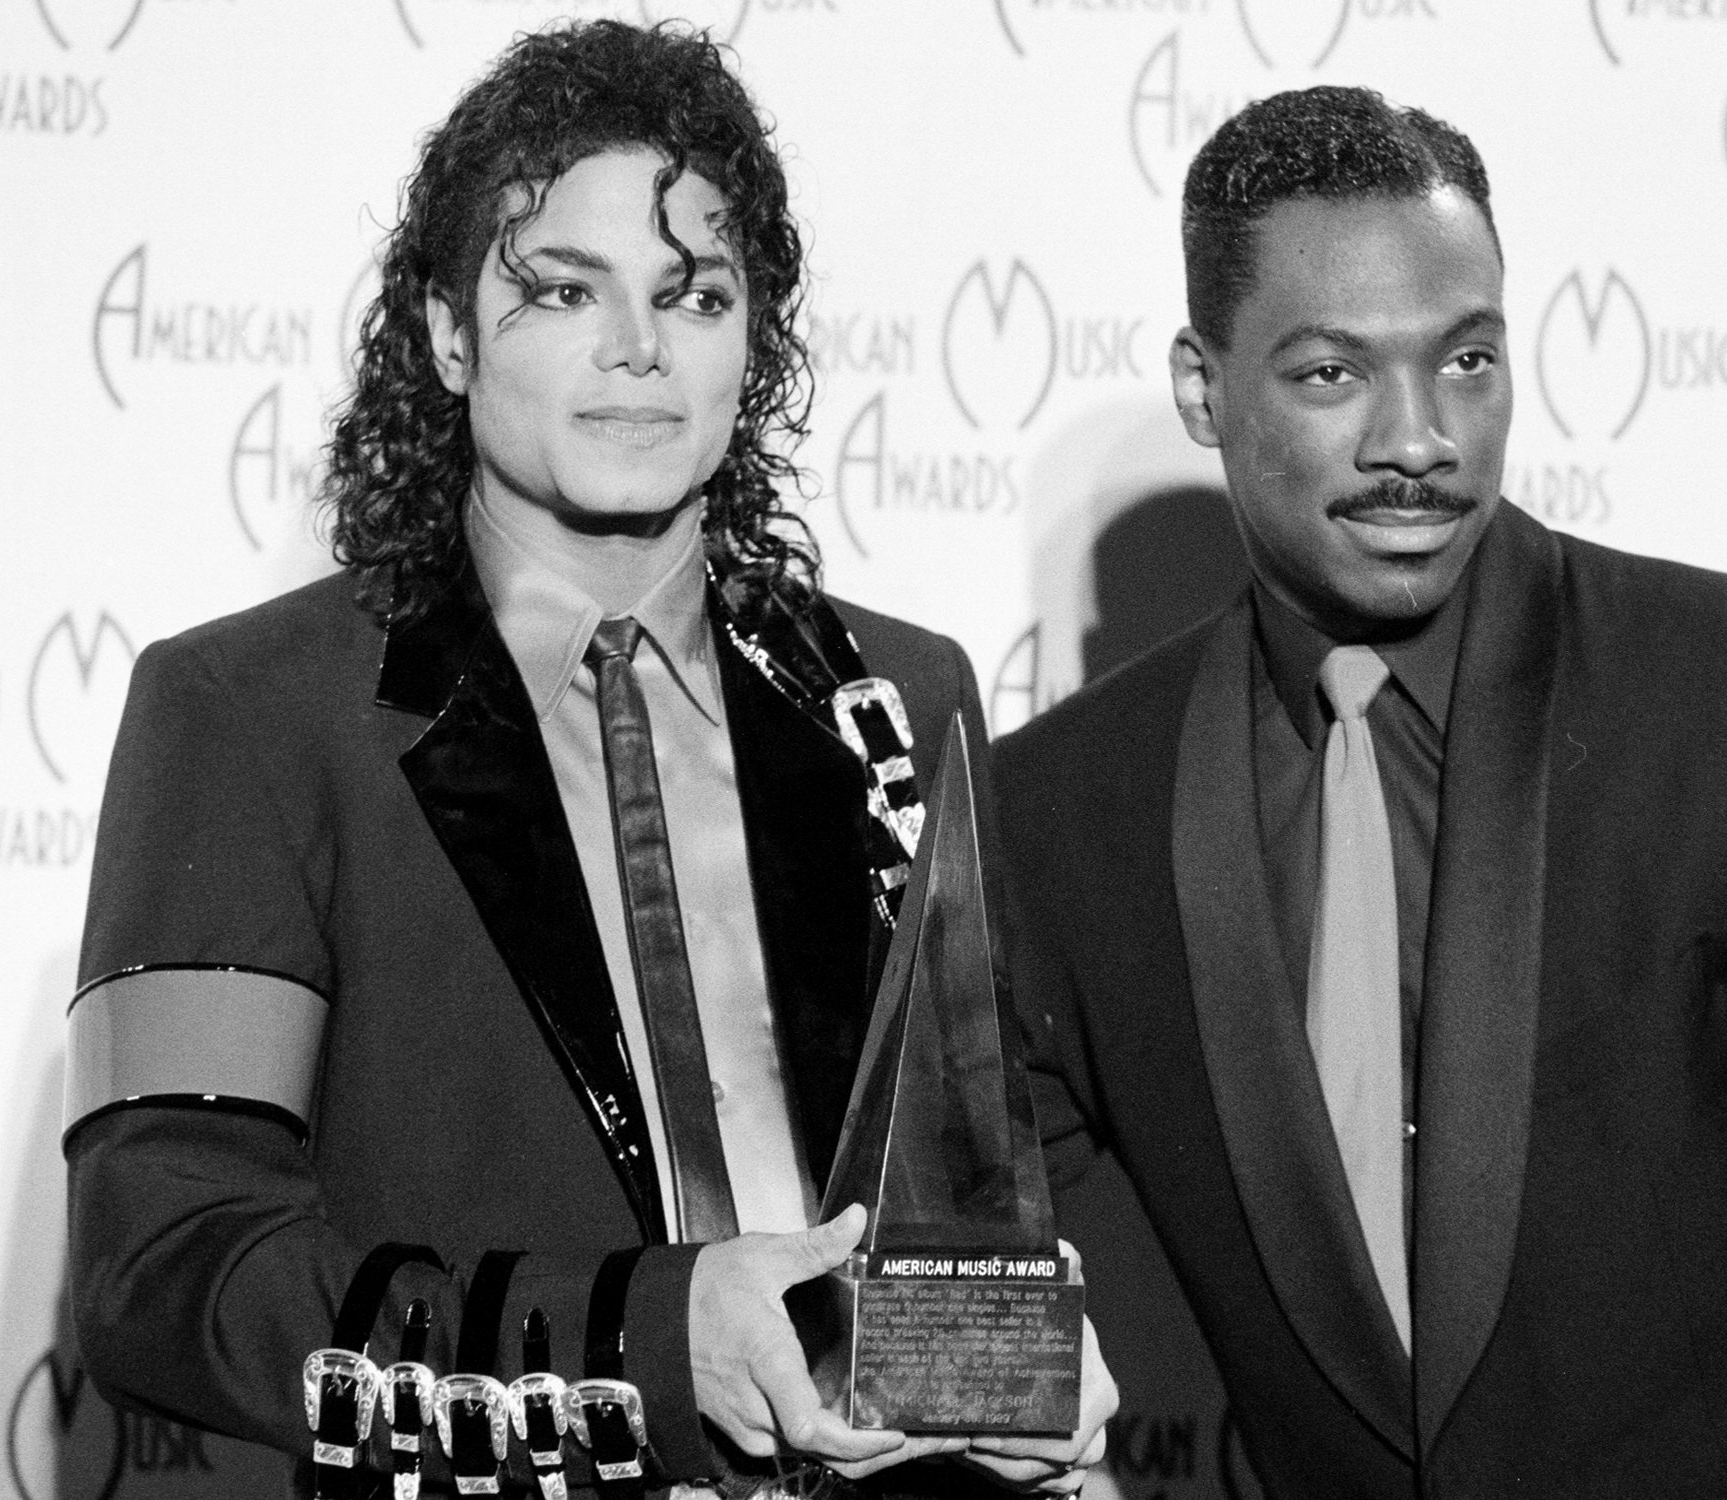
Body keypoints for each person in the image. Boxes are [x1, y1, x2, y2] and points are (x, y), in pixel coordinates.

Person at [992, 85, 1727, 1499]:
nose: (1418, 438)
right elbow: (1020, 1276)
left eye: (1464, 361)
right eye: (1331, 374)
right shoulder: (1066, 809)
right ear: (1203, 389)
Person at [64, 21, 1111, 1497]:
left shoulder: (897, 692)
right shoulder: (247, 712)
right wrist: (646, 1342)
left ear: (756, 343)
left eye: (694, 295)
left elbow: (954, 1199)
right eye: (563, 289)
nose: (637, 349)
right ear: (444, 331)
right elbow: (167, 1271)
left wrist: (1017, 1360)